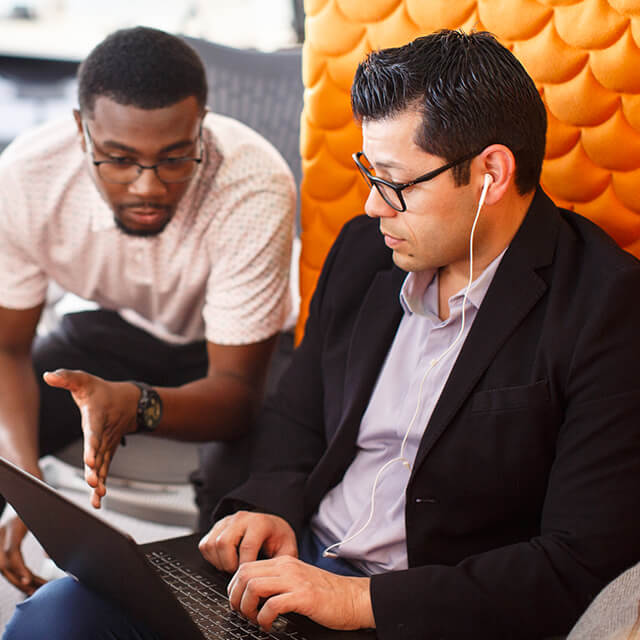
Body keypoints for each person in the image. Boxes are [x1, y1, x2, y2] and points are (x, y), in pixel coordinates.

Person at [5, 28, 640, 640]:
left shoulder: (608, 309)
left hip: (416, 608)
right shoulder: (368, 251)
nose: (371, 205)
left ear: (491, 174)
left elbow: (578, 564)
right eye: (370, 174)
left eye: (394, 182)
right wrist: (268, 507)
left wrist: (360, 599)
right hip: (297, 564)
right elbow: (296, 415)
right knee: (56, 615)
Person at [0, 27, 294, 596]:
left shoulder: (253, 183)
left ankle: (204, 613)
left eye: (175, 158)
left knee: (240, 493)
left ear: (201, 125)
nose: (148, 187)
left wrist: (138, 404)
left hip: (244, 353)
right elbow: (7, 347)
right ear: (82, 130)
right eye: (118, 159)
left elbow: (235, 397)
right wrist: (25, 488)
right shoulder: (26, 177)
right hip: (121, 328)